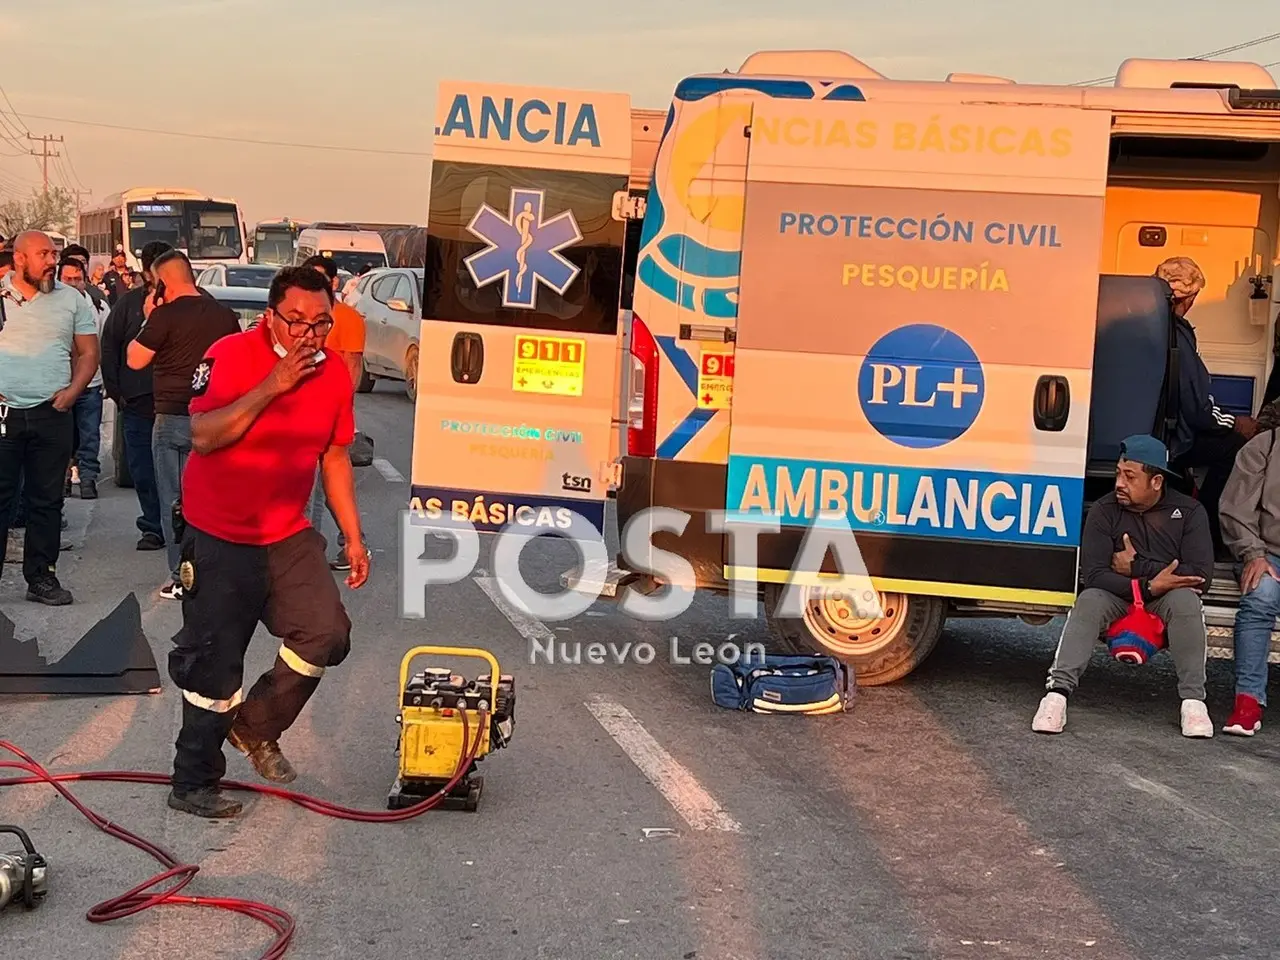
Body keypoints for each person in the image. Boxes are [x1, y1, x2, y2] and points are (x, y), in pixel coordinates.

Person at [166, 266, 369, 818]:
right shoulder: (229, 354)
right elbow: (204, 436)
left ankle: (255, 727)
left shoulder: (331, 377)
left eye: (322, 323)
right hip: (221, 533)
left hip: (286, 531)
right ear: (272, 316)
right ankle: (193, 782)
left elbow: (333, 455)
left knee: (326, 634)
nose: (309, 334)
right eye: (297, 321)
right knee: (215, 664)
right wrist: (274, 384)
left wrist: (354, 537)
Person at [1032, 435, 1216, 738]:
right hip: (1117, 593)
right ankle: (1057, 694)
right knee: (1089, 599)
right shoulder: (1104, 510)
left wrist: (1139, 569)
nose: (1119, 482)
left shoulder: (1189, 512)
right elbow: (1094, 574)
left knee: (1186, 600)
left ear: (1156, 481)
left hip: (1164, 597)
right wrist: (1147, 584)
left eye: (1129, 476)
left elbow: (1200, 576)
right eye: (1119, 473)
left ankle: (1193, 702)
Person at [127, 250, 240, 598]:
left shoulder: (163, 316)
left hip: (173, 417)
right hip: (218, 420)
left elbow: (134, 359)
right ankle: (218, 571)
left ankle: (182, 576)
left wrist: (149, 317)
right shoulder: (224, 316)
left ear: (162, 283)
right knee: (215, 500)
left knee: (174, 502)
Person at [0, 232, 100, 605]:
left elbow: (89, 353)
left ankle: (41, 578)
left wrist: (73, 392)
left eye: (54, 254)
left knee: (47, 500)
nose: (52, 260)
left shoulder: (71, 299)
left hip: (52, 413)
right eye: (43, 253)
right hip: (5, 414)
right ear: (20, 258)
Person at [1159, 256, 1259, 557]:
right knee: (1236, 447)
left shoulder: (1147, 324)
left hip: (1154, 429)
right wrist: (1234, 423)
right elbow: (1198, 410)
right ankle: (1207, 530)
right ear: (1187, 297)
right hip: (1174, 436)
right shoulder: (1176, 332)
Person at [101, 241, 172, 552]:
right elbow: (109, 348)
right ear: (146, 272)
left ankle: (179, 527)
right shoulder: (128, 305)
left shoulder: (195, 305)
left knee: (178, 472)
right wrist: (118, 392)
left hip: (179, 407)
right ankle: (153, 526)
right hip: (138, 402)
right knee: (143, 469)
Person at [300, 254, 367, 569]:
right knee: (321, 490)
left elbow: (352, 368)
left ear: (334, 282)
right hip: (300, 414)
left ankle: (315, 552)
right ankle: (350, 541)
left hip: (329, 418)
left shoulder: (348, 319)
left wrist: (340, 412)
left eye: (319, 277)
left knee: (323, 487)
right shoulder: (300, 317)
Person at [1218, 426, 1280, 736]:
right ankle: (1248, 701)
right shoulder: (1265, 446)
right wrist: (1253, 553)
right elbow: (1235, 510)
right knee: (1261, 595)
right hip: (1268, 553)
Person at [57, 257, 109, 500]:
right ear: (58, 279)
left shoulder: (98, 306)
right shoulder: (47, 308)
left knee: (89, 435)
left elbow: (105, 345)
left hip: (91, 383)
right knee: (62, 437)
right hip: (58, 384)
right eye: (68, 279)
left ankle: (88, 479)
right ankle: (64, 479)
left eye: (78, 279)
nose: (73, 283)